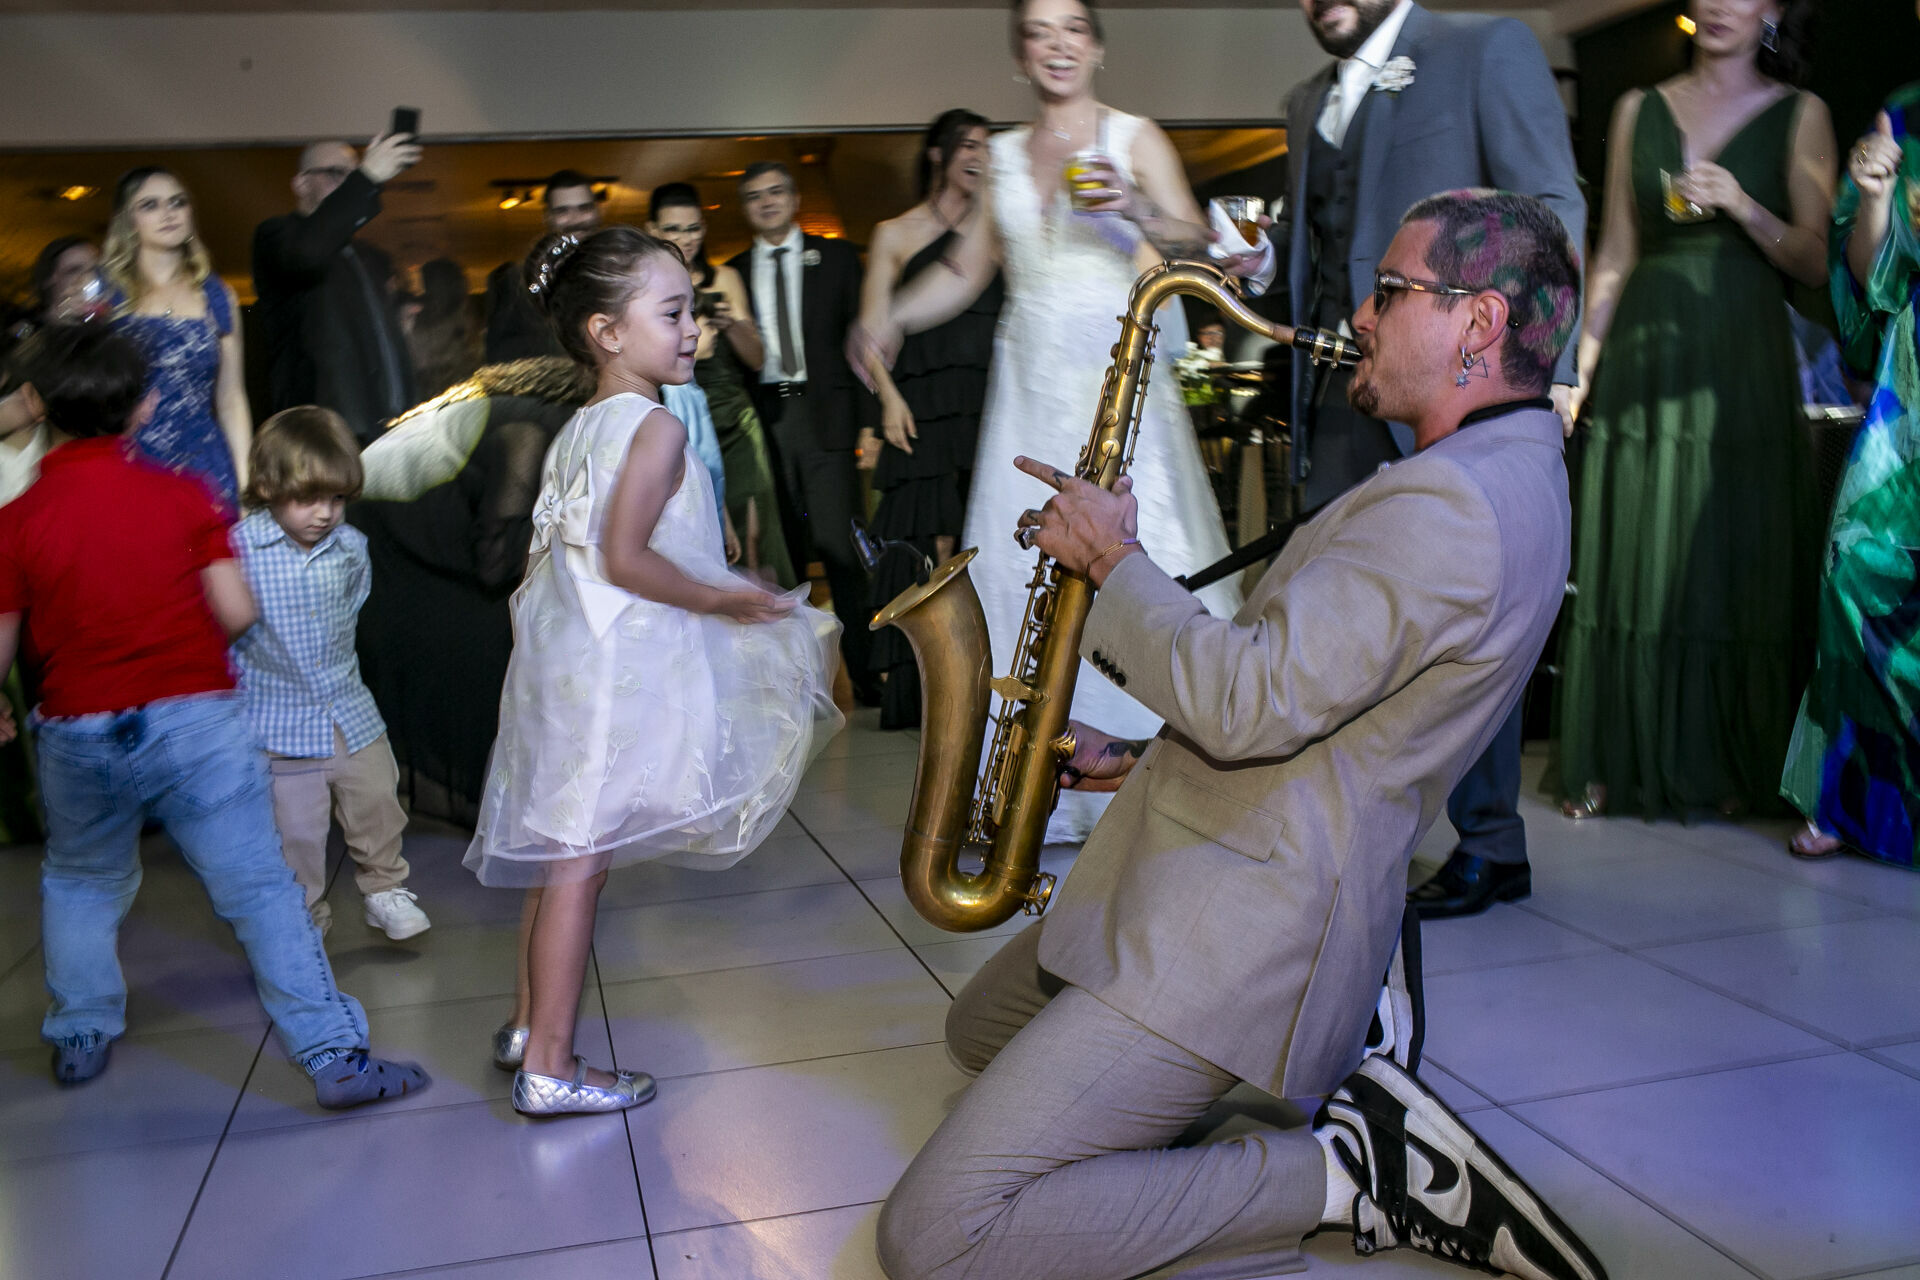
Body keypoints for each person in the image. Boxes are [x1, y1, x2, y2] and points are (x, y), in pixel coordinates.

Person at [876, 189, 1599, 1280]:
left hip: (1243, 923)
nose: (1361, 314)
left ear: (1478, 323)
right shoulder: (1499, 472)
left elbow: (1250, 699)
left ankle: (1347, 1172)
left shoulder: (1453, 506)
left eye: (1391, 291)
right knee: (977, 1030)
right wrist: (1135, 759)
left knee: (936, 1235)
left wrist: (1110, 562)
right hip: (1227, 845)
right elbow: (1333, 706)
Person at [0, 323, 428, 1105]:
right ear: (143, 406)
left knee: (82, 882)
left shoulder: (16, 520)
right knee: (262, 888)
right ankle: (333, 1056)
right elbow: (235, 612)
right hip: (196, 721)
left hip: (78, 728)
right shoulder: (185, 495)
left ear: (34, 403)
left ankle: (81, 1033)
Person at [467, 228, 843, 1116]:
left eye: (692, 312)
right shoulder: (659, 426)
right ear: (606, 332)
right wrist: (726, 601)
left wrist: (718, 582)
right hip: (610, 672)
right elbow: (627, 557)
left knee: (563, 849)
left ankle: (527, 1023)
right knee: (578, 862)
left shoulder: (579, 427)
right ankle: (550, 1066)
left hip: (567, 664)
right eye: (671, 314)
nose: (692, 331)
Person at [1237, 0, 1587, 919]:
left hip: (1457, 390)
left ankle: (1491, 844)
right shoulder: (1305, 99)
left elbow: (1552, 211)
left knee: (1464, 621)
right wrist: (1261, 260)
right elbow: (1320, 251)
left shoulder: (1484, 48)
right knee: (1329, 614)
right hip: (1339, 392)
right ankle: (1337, 833)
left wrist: (1551, 371)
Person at [859, 0, 1242, 839]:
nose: (1058, 44)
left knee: (1140, 561)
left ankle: (1168, 778)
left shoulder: (1134, 137)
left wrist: (1136, 207)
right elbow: (964, 269)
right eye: (1039, 31)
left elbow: (1197, 243)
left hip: (1117, 385)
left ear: (1097, 46)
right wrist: (891, 318)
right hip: (1028, 391)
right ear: (1020, 56)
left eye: (1073, 27)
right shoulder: (998, 157)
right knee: (1021, 570)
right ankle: (1034, 787)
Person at [1551, 0, 1835, 821]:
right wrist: (1578, 370)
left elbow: (1814, 261)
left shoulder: (1801, 113)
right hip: (1646, 352)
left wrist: (1743, 205)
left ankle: (1732, 762)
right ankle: (1621, 754)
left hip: (1740, 360)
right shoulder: (1637, 108)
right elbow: (1615, 253)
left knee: (1735, 551)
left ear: (1773, 11)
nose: (1718, 4)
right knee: (1637, 543)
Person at [1781, 68, 1920, 866]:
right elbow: (1876, 281)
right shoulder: (1902, 114)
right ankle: (1856, 797)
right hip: (1914, 390)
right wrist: (1875, 198)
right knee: (1858, 563)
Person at [232, 406, 431, 940]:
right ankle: (305, 916)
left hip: (348, 706)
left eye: (338, 499)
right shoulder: (239, 550)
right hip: (280, 721)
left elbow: (352, 606)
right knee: (296, 829)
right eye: (308, 499)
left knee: (378, 795)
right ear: (269, 487)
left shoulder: (350, 547)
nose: (325, 513)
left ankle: (384, 887)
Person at [859, 109, 1006, 730]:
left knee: (978, 532)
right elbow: (871, 330)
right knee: (926, 539)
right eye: (967, 145)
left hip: (987, 401)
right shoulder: (896, 232)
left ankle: (982, 677)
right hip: (921, 401)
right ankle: (925, 683)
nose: (979, 156)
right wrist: (889, 398)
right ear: (939, 155)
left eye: (987, 147)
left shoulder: (997, 234)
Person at [727, 162, 878, 701]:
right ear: (744, 208)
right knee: (782, 553)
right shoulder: (733, 271)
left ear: (794, 200)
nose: (766, 202)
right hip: (763, 419)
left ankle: (866, 677)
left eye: (776, 192)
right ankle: (799, 686)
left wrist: (870, 422)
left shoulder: (836, 258)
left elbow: (860, 343)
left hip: (827, 414)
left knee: (840, 547)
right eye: (754, 196)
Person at [648, 182, 793, 587]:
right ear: (653, 230)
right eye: (673, 229)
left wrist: (733, 325)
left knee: (757, 532)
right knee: (701, 531)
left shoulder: (725, 277)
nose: (686, 239)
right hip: (682, 420)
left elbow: (758, 360)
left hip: (735, 419)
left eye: (693, 228)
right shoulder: (646, 286)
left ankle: (771, 616)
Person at [252, 132, 423, 444]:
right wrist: (366, 176)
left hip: (389, 428)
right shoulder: (277, 236)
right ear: (301, 184)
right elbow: (307, 252)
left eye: (352, 174)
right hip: (323, 436)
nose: (347, 183)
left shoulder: (370, 258)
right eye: (335, 173)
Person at [100, 168, 252, 518]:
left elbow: (231, 398)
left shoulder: (218, 296)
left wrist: (248, 487)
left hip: (204, 466)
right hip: (129, 461)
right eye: (150, 205)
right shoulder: (108, 297)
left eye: (177, 203)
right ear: (128, 220)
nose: (168, 213)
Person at [484, 169, 604, 364]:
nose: (575, 219)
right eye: (562, 211)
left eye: (584, 208)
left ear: (598, 212)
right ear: (547, 217)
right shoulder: (516, 282)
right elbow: (500, 357)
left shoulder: (623, 270)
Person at [406, 257, 478, 400]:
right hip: (464, 389)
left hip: (437, 393)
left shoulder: (427, 320)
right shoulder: (465, 313)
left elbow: (420, 359)